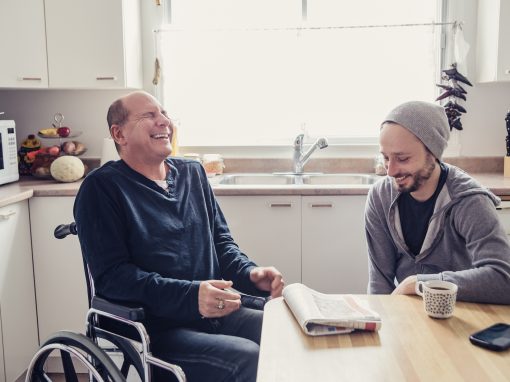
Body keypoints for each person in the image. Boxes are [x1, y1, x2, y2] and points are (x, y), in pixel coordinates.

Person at [74, 90, 284, 382]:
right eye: (149, 115)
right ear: (119, 133)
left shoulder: (192, 173)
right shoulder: (102, 189)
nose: (164, 122)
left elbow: (221, 245)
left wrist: (251, 273)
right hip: (156, 327)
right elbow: (113, 276)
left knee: (282, 330)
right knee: (247, 355)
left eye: (164, 114)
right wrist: (191, 296)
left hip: (214, 311)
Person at [365, 100, 510, 304]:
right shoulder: (380, 197)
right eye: (386, 158)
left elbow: (503, 279)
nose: (391, 171)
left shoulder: (469, 201)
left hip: (461, 315)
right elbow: (379, 283)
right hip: (406, 315)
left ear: (433, 153)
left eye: (403, 158)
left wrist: (420, 284)